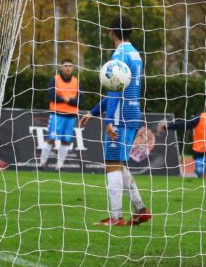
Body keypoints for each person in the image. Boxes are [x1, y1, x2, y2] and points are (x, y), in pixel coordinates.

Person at [80, 15, 152, 226]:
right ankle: (140, 210)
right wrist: (93, 112)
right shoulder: (135, 54)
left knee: (112, 164)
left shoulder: (119, 54)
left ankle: (116, 217)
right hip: (133, 114)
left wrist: (109, 120)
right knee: (119, 163)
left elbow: (114, 91)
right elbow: (124, 89)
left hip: (120, 117)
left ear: (111, 31)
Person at [38, 59, 82, 170]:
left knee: (66, 141)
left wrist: (66, 100)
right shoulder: (55, 80)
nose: (68, 68)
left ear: (73, 68)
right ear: (61, 67)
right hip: (57, 114)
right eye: (65, 66)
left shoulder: (77, 82)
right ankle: (42, 163)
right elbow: (51, 96)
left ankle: (59, 166)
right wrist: (66, 99)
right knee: (51, 138)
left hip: (71, 115)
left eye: (70, 66)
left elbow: (80, 100)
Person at [159, 109, 206, 178]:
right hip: (200, 150)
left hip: (200, 150)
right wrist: (168, 126)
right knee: (200, 172)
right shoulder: (200, 117)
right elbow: (184, 124)